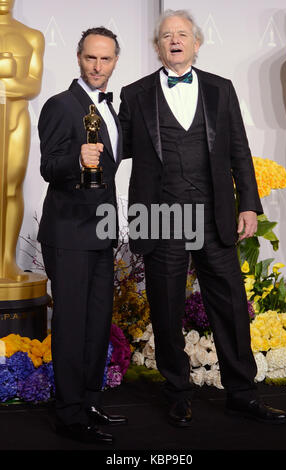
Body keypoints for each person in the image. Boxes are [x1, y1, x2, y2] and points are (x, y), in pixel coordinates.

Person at [119, 9, 286, 427]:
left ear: (196, 43)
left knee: (230, 306)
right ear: (157, 47)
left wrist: (248, 204)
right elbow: (113, 147)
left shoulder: (220, 89)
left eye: (182, 34)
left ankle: (242, 395)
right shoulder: (134, 93)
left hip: (215, 217)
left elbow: (239, 151)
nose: (174, 40)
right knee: (166, 307)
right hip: (161, 217)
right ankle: (177, 393)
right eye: (166, 35)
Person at [38, 27, 127, 444]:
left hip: (102, 233)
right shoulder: (60, 105)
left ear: (114, 61)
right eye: (91, 58)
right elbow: (48, 167)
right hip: (69, 232)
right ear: (78, 58)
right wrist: (76, 158)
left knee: (97, 322)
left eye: (105, 59)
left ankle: (90, 402)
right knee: (72, 325)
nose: (98, 66)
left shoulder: (113, 109)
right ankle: (68, 413)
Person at [0, 0, 44, 281]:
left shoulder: (31, 36)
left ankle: (7, 261)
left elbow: (33, 84)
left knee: (11, 187)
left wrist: (7, 82)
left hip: (16, 120)